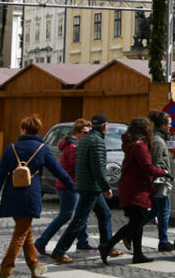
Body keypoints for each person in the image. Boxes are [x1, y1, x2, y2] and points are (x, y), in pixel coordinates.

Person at [0, 115, 74, 278]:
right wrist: (71, 186)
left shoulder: (10, 148)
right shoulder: (43, 149)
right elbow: (58, 171)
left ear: (23, 129)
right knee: (21, 233)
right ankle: (6, 269)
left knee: (25, 231)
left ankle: (34, 266)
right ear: (37, 130)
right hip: (30, 197)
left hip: (11, 196)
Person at [51, 113, 121, 264]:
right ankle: (59, 251)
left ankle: (107, 246)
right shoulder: (97, 141)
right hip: (91, 187)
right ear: (105, 127)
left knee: (105, 215)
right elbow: (98, 168)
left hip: (86, 185)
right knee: (79, 220)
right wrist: (106, 187)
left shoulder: (85, 140)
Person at [100, 118, 167, 265]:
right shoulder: (139, 147)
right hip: (135, 189)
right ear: (144, 130)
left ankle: (137, 254)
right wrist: (163, 172)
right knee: (136, 222)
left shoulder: (132, 144)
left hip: (134, 188)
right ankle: (107, 245)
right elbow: (147, 167)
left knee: (137, 223)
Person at [34, 119, 93, 255]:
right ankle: (41, 241)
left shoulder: (74, 145)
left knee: (81, 213)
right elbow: (76, 165)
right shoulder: (72, 147)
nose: (87, 135)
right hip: (69, 186)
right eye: (84, 132)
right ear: (76, 133)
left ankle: (82, 241)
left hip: (72, 185)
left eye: (88, 132)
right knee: (65, 216)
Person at [143, 111, 174, 251]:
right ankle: (163, 241)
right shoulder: (159, 141)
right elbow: (155, 163)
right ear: (162, 125)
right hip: (160, 181)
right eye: (169, 124)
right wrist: (159, 178)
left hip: (160, 180)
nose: (170, 127)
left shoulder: (158, 139)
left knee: (155, 211)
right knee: (165, 210)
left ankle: (130, 232)